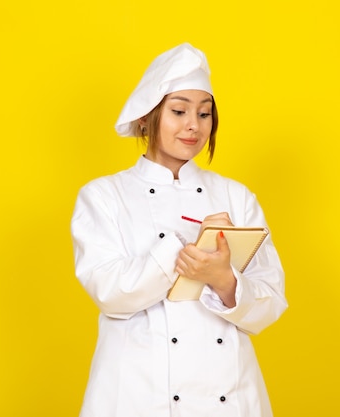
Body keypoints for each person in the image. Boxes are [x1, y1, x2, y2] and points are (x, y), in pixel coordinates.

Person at [71, 43, 288, 417]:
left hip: (228, 399)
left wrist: (225, 281)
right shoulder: (104, 196)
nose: (194, 125)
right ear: (146, 117)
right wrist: (182, 251)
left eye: (205, 114)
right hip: (140, 397)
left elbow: (270, 303)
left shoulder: (236, 197)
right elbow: (110, 292)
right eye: (179, 111)